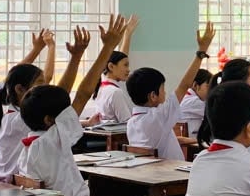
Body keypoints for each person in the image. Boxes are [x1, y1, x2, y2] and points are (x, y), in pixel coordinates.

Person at [22, 17, 126, 196]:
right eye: (66, 112)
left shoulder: (32, 144)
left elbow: (64, 96)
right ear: (50, 120)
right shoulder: (54, 139)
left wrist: (77, 57)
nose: (71, 113)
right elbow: (83, 94)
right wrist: (108, 47)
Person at [0, 30, 86, 182]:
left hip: (17, 184)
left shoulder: (14, 113)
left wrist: (52, 47)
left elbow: (52, 87)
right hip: (13, 189)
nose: (44, 89)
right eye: (40, 84)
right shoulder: (19, 119)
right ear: (20, 89)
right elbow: (60, 94)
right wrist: (75, 58)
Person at [126, 24, 216, 160]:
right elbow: (184, 85)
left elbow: (167, 139)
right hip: (172, 175)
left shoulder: (132, 122)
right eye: (163, 89)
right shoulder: (158, 116)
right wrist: (201, 52)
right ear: (153, 96)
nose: (166, 93)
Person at [91, 15, 139, 123]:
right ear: (111, 67)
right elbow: (127, 123)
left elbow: (121, 57)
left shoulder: (102, 86)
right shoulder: (115, 92)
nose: (128, 70)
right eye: (126, 66)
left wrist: (127, 34)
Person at [179, 69, 212, 138]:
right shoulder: (193, 102)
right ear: (195, 85)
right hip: (190, 145)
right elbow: (218, 114)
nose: (211, 90)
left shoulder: (186, 97)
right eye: (208, 86)